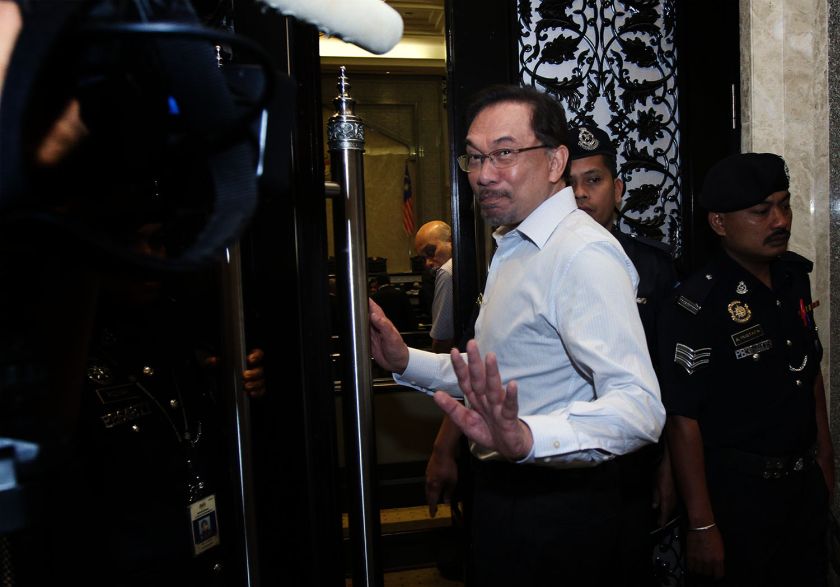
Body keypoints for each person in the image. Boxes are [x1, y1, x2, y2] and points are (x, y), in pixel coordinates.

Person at [369, 84, 665, 586]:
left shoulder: (580, 254)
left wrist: (529, 438)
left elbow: (640, 406)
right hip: (504, 499)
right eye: (475, 157)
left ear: (555, 163)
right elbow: (495, 376)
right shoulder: (516, 246)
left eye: (504, 154)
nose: (483, 175)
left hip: (561, 516)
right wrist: (403, 360)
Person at [657, 152, 833, 585]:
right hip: (737, 497)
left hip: (802, 487)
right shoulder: (696, 304)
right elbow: (684, 421)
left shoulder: (794, 278)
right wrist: (700, 524)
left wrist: (826, 466)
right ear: (719, 223)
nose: (779, 220)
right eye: (761, 211)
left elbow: (808, 373)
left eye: (784, 204)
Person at [568, 123, 679, 585]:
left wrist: (670, 470)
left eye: (593, 181)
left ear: (617, 189)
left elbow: (672, 376)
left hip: (630, 466)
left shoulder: (652, 266)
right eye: (567, 184)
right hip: (560, 465)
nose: (580, 195)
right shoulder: (532, 261)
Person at [414, 220, 454, 352]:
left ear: (451, 240)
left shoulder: (447, 271)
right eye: (423, 258)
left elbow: (442, 339)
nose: (428, 263)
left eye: (431, 251)